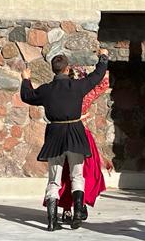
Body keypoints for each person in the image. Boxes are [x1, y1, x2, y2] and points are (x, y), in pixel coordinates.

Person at [20, 49, 109, 230]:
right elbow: (98, 75)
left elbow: (27, 96)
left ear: (53, 69)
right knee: (77, 176)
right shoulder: (77, 86)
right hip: (75, 133)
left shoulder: (46, 90)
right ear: (67, 69)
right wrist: (103, 56)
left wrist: (25, 79)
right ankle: (77, 214)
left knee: (54, 179)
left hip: (55, 135)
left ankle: (52, 221)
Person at [54, 66, 111, 224]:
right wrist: (91, 72)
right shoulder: (83, 93)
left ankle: (66, 209)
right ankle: (81, 205)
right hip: (80, 135)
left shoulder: (58, 92)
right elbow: (104, 82)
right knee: (83, 173)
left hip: (61, 134)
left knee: (64, 173)